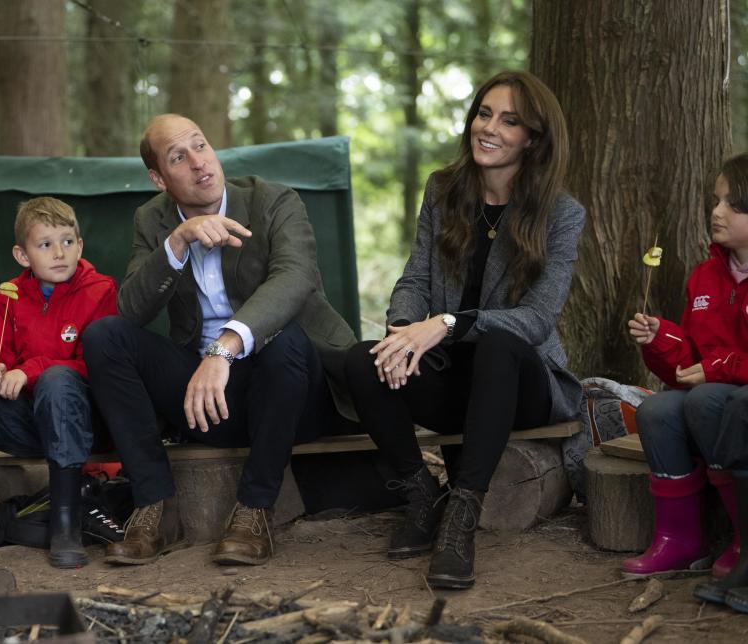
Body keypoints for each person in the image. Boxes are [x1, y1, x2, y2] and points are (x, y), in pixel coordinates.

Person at [343, 70, 585, 590]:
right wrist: (404, 332)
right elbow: (415, 277)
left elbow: (538, 318)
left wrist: (449, 324)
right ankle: (421, 495)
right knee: (364, 359)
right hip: (456, 382)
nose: (489, 127)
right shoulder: (443, 190)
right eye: (484, 113)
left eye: (509, 120)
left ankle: (462, 516)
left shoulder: (561, 214)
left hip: (522, 385)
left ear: (533, 139)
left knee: (500, 344)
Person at [82, 113, 357, 566]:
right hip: (210, 403)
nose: (199, 163)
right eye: (178, 157)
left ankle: (254, 511)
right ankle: (153, 506)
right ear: (158, 177)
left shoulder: (273, 201)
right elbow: (131, 309)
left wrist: (224, 347)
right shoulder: (152, 220)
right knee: (105, 336)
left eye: (201, 146)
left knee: (284, 339)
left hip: (295, 393)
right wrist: (177, 242)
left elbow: (296, 277)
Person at [0, 197, 117, 570]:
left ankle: (65, 525)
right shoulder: (7, 295)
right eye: (45, 244)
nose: (59, 252)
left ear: (80, 245)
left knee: (58, 379)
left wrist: (30, 371)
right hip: (25, 421)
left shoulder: (101, 290)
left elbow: (97, 367)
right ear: (22, 255)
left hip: (80, 424)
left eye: (67, 241)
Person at [622, 154, 748, 587]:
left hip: (734, 400)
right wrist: (660, 338)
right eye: (717, 200)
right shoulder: (705, 277)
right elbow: (686, 361)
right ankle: (680, 539)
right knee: (657, 410)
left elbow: (713, 372)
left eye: (732, 203)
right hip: (710, 395)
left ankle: (743, 539)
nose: (716, 211)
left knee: (705, 398)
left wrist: (718, 369)